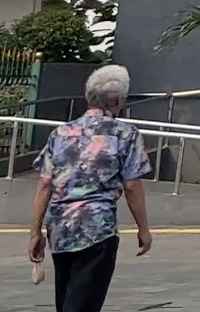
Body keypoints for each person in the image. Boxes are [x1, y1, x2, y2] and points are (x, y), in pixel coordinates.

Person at [30, 64, 154, 312]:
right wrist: (143, 229)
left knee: (67, 300)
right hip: (97, 229)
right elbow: (131, 185)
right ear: (117, 100)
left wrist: (35, 232)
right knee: (84, 303)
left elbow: (44, 184)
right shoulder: (125, 134)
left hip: (60, 230)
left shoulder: (60, 133)